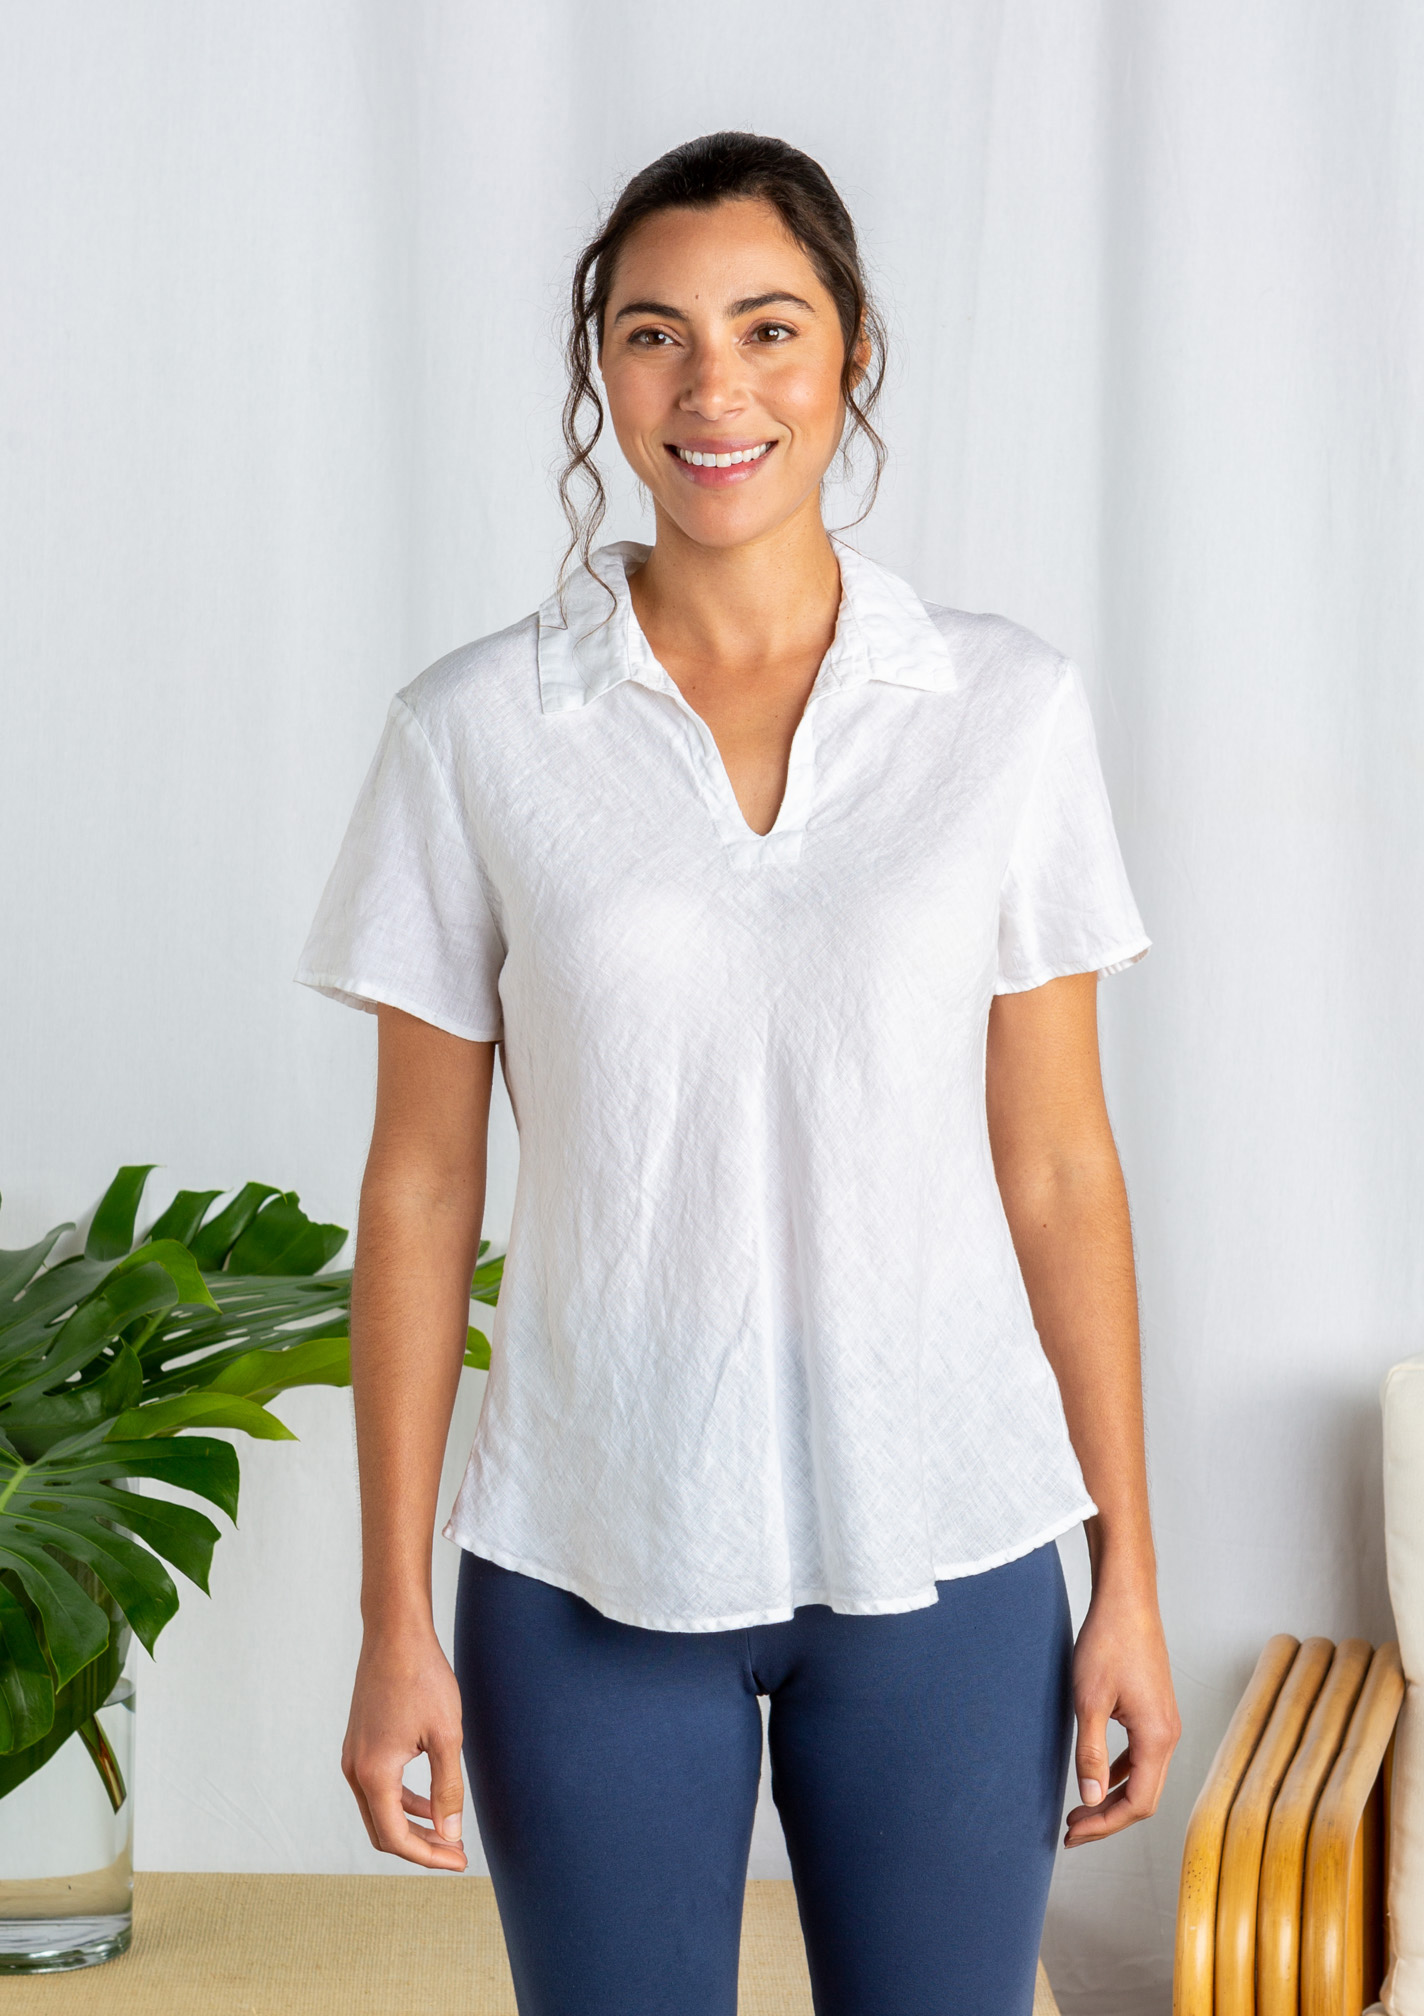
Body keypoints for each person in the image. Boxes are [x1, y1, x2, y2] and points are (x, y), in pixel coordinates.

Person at [296, 130, 1180, 2016]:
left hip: (950, 1549)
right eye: (655, 335)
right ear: (601, 371)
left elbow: (1058, 1169)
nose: (715, 389)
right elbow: (421, 1189)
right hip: (585, 1553)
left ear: (851, 349)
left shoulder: (1003, 712)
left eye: (769, 329)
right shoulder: (476, 732)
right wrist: (390, 1618)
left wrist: (1129, 1574)